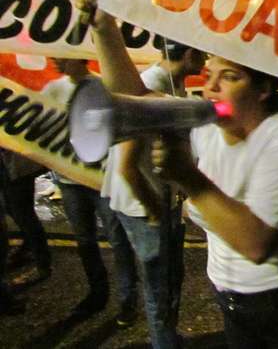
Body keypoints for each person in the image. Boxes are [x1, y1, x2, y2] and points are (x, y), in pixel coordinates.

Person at [80, 0, 278, 348]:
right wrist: (103, 28)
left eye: (230, 77)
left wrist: (189, 177)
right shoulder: (206, 126)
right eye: (208, 77)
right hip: (235, 303)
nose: (211, 88)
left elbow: (256, 244)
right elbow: (135, 97)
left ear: (263, 89)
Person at [99, 40, 204, 348]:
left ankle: (168, 337)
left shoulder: (171, 85)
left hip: (155, 203)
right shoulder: (148, 87)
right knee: (160, 289)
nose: (207, 59)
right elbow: (126, 166)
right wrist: (156, 211)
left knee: (169, 281)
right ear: (189, 54)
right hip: (143, 208)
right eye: (203, 52)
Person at [42, 57, 140, 322]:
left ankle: (127, 299)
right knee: (85, 241)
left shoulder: (102, 87)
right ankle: (98, 293)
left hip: (101, 180)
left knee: (118, 240)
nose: (55, 60)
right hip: (70, 181)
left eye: (61, 55)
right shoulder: (52, 90)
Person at [0, 149, 51, 287]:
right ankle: (29, 247)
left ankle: (42, 264)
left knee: (24, 214)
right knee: (10, 208)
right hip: (7, 164)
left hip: (16, 165)